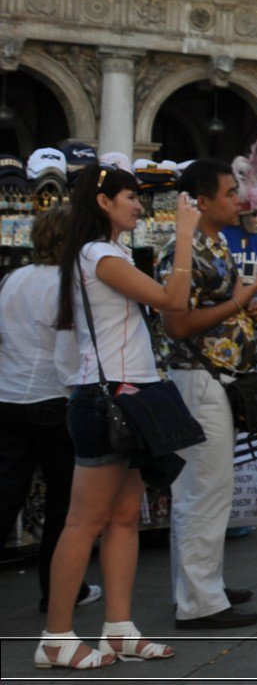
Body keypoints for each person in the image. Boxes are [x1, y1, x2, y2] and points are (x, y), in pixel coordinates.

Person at [39, 166, 197, 669]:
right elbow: (173, 300)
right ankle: (56, 636)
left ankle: (119, 628)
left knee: (125, 519)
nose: (139, 205)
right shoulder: (100, 255)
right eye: (131, 196)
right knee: (84, 522)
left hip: (125, 401)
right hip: (108, 402)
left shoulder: (105, 254)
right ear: (104, 202)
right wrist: (186, 235)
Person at [155, 158, 257, 629]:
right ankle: (200, 601)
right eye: (226, 193)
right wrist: (238, 302)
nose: (237, 200)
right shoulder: (185, 250)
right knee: (205, 491)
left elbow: (214, 309)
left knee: (207, 489)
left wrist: (244, 311)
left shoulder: (215, 244)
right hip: (199, 379)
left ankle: (201, 586)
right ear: (201, 201)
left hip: (215, 377)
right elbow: (176, 323)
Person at [0, 208, 101, 614]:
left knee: (6, 497)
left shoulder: (12, 279)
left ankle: (63, 589)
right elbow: (69, 349)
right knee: (64, 504)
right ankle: (59, 591)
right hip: (52, 399)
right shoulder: (71, 283)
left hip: (8, 398)